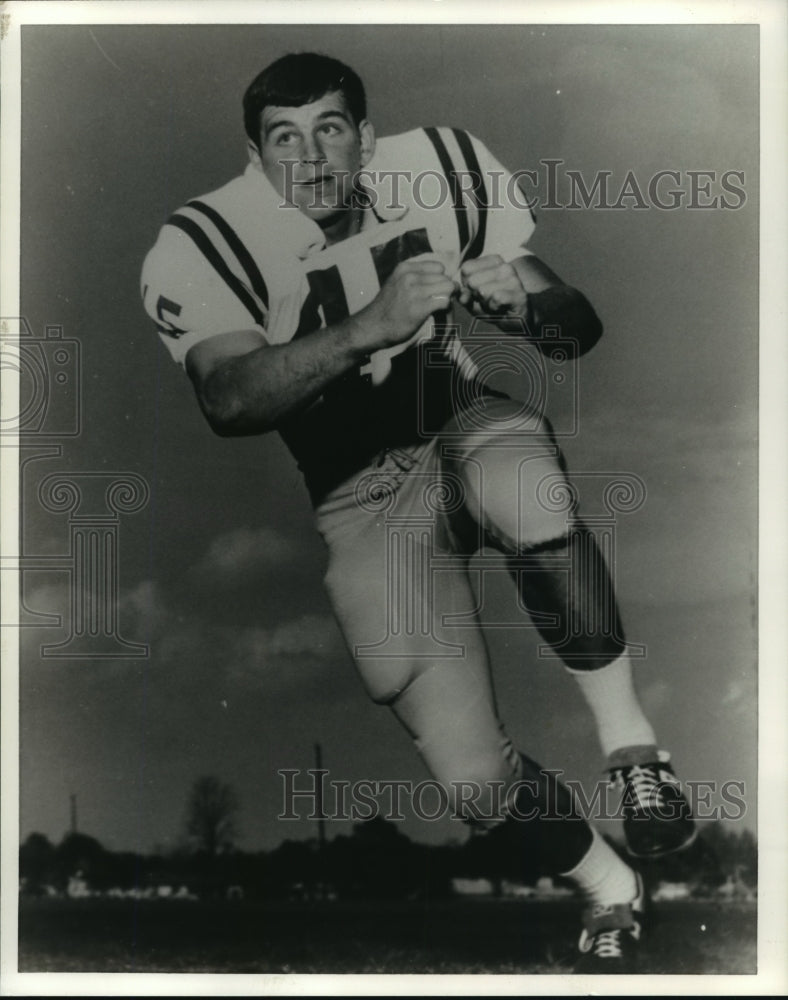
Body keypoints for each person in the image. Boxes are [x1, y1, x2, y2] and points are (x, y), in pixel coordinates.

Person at [141, 52, 694, 971]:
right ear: (254, 153)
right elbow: (227, 399)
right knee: (476, 779)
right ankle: (611, 886)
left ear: (366, 134)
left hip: (459, 419)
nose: (310, 158)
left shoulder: (438, 166)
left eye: (329, 130)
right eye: (284, 138)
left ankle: (634, 750)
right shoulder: (206, 238)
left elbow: (573, 327)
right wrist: (366, 327)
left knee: (526, 488)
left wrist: (531, 307)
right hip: (358, 496)